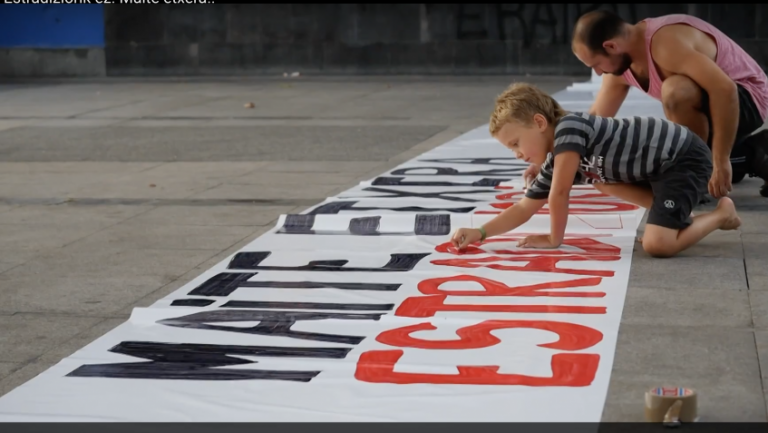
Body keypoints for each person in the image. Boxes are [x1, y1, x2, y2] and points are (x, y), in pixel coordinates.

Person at [451, 82, 741, 258]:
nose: (517, 155)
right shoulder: (558, 157)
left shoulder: (570, 127)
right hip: (656, 169)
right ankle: (671, 213)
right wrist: (481, 232)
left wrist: (555, 240)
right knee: (600, 181)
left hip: (682, 157)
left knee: (658, 245)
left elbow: (560, 192)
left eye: (516, 143)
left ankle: (720, 215)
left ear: (540, 123)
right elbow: (524, 208)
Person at [567, 11, 768, 198]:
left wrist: (721, 160)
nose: (599, 73)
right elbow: (596, 119)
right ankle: (752, 153)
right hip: (717, 107)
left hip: (748, 98)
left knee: (676, 91)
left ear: (611, 46)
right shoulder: (620, 66)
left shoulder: (664, 43)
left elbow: (724, 90)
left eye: (596, 65)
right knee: (653, 161)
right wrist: (558, 157)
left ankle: (697, 174)